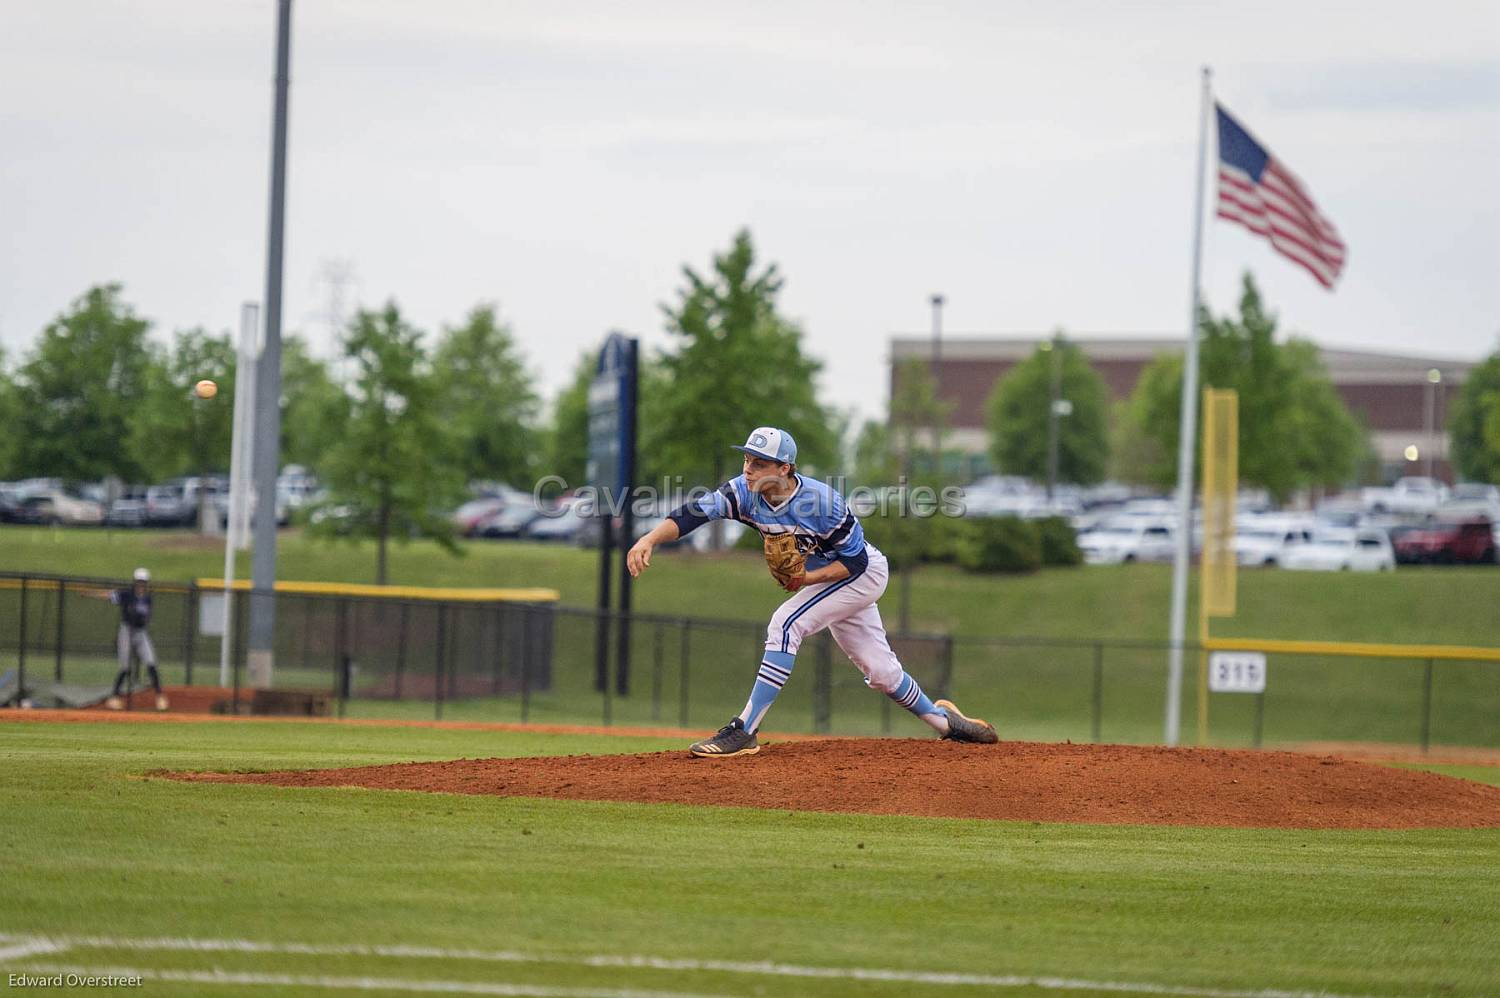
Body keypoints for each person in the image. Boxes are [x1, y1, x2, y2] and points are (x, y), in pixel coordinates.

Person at [627, 426, 998, 757]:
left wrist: (803, 580)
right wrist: (649, 539)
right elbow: (692, 513)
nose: (748, 469)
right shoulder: (742, 493)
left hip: (861, 574)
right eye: (746, 459)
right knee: (883, 673)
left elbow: (855, 565)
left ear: (784, 469)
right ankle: (948, 724)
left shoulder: (821, 504)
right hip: (830, 579)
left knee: (786, 623)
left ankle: (745, 730)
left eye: (759, 462)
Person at [88, 568, 168, 711]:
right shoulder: (127, 594)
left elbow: (146, 617)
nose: (141, 584)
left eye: (143, 582)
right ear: (135, 582)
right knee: (124, 666)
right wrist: (90, 594)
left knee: (151, 662)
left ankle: (159, 696)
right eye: (139, 581)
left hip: (140, 632)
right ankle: (114, 697)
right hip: (126, 630)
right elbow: (109, 595)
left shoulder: (147, 598)